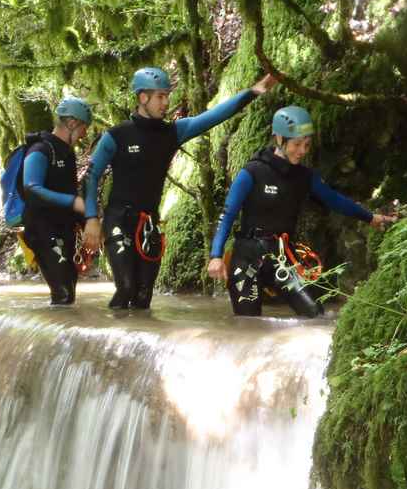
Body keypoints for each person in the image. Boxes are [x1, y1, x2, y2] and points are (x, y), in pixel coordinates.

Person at [81, 68, 277, 309]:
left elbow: (214, 116)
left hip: (149, 225)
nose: (166, 102)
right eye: (160, 96)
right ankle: (110, 340)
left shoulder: (173, 132)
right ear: (143, 97)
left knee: (143, 297)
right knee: (126, 287)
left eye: (167, 96)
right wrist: (91, 217)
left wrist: (253, 92)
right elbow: (90, 178)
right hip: (119, 220)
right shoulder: (116, 136)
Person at [207, 105, 395, 317]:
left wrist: (370, 217)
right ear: (279, 138)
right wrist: (216, 255)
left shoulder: (304, 177)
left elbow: (334, 199)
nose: (302, 151)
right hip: (247, 260)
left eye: (306, 145)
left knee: (315, 314)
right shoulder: (252, 172)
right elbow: (228, 215)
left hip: (282, 258)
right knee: (248, 325)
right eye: (297, 144)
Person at [21, 97, 92, 305]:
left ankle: (64, 334)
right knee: (63, 294)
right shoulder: (40, 150)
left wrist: (87, 222)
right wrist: (72, 202)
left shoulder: (67, 153)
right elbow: (32, 189)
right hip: (42, 231)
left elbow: (69, 190)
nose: (85, 134)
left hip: (65, 230)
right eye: (83, 128)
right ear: (71, 123)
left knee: (67, 294)